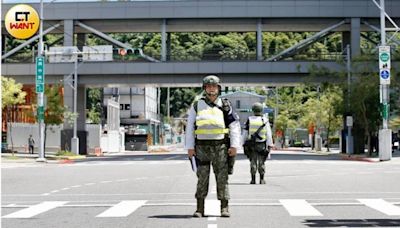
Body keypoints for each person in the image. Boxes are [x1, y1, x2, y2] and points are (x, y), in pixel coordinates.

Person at [185, 75, 241, 218]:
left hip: (220, 146)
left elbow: (234, 126)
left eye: (214, 86)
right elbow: (190, 126)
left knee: (222, 178)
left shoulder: (225, 104)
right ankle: (199, 208)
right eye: (208, 86)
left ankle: (224, 207)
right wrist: (190, 147)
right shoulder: (197, 105)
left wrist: (234, 145)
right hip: (201, 147)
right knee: (202, 178)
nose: (211, 88)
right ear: (205, 88)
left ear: (218, 88)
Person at [242, 102, 274, 184]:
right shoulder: (265, 120)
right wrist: (270, 144)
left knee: (253, 161)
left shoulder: (249, 120)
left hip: (252, 144)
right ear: (261, 110)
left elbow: (245, 133)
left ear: (253, 110)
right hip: (262, 144)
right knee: (261, 162)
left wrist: (243, 143)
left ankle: (253, 179)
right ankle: (262, 179)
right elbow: (269, 134)